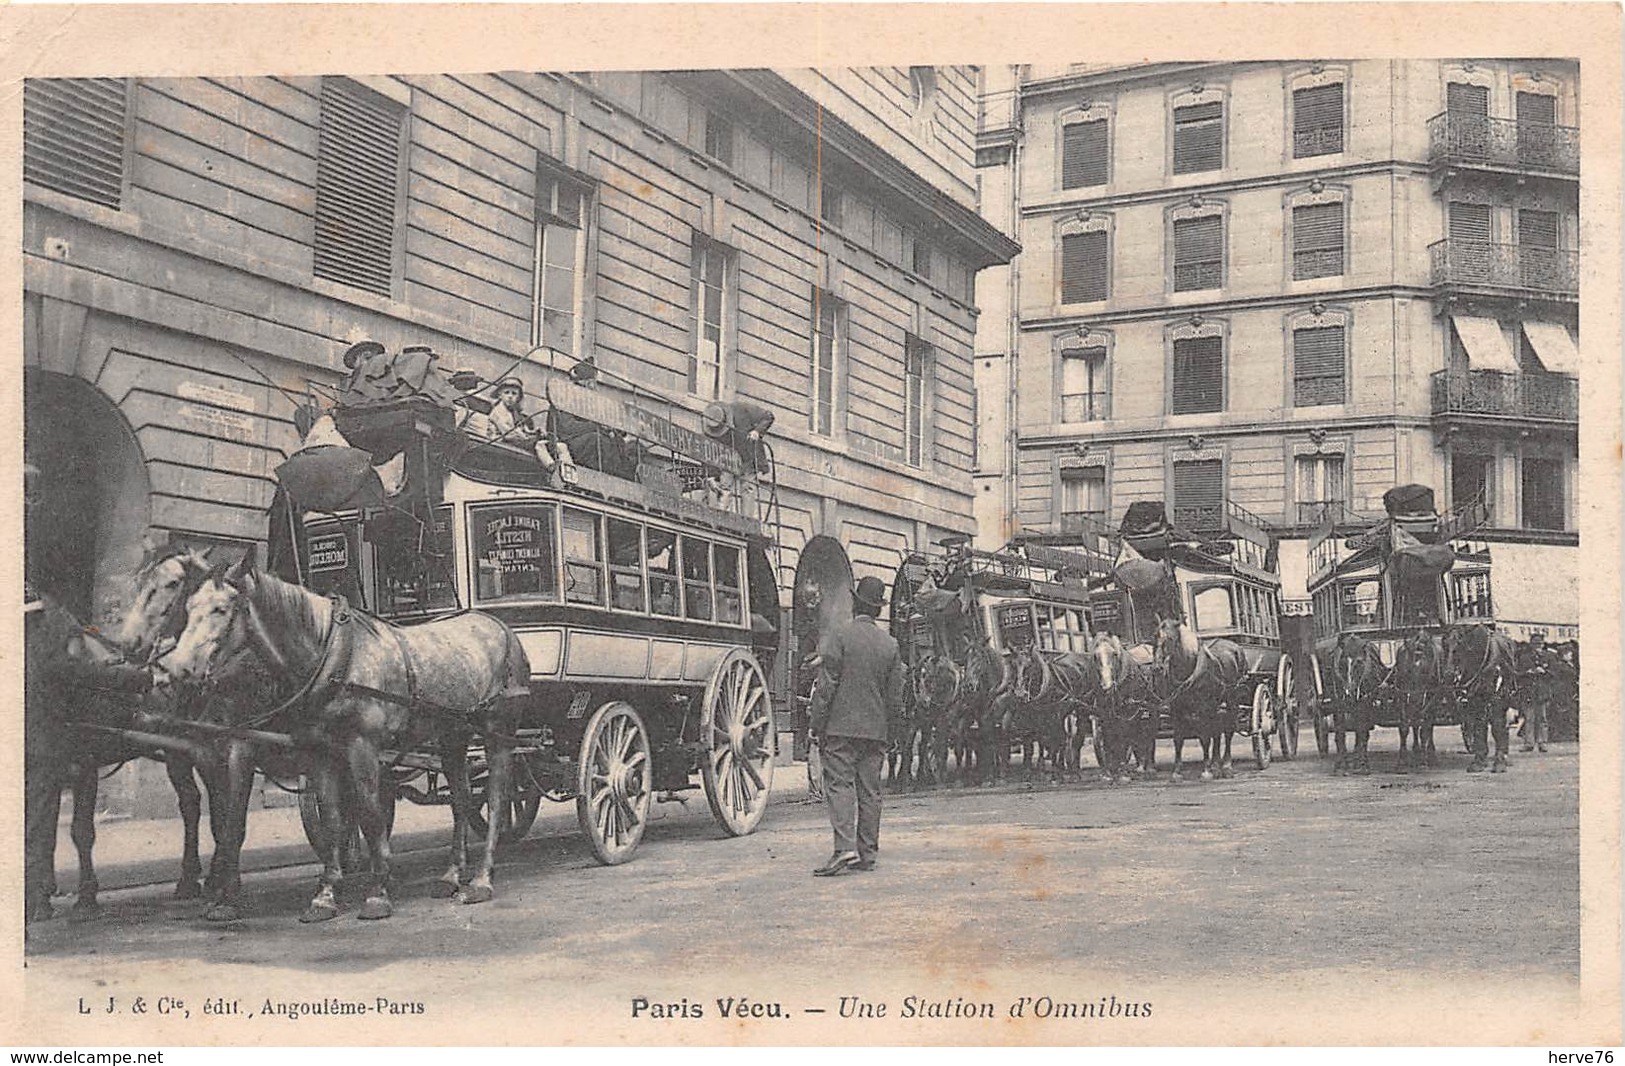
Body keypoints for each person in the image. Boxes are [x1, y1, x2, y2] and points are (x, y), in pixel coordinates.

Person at [808, 575, 904, 877]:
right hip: (876, 731)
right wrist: (891, 732)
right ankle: (868, 854)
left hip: (841, 728)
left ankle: (844, 848)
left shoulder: (840, 637)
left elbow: (826, 687)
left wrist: (816, 724)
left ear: (856, 604)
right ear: (877, 610)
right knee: (870, 791)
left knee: (839, 785)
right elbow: (895, 698)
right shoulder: (890, 644)